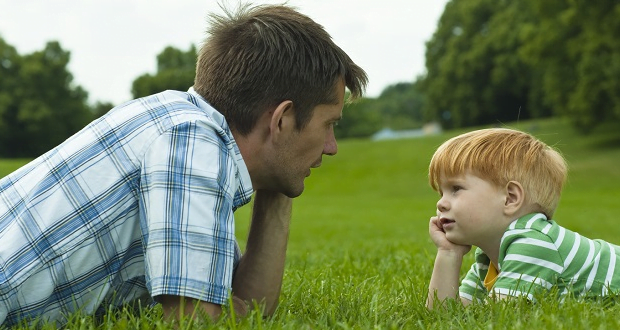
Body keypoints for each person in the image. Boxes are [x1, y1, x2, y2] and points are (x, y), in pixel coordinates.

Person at [0, 3, 368, 327]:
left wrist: (279, 186)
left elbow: (250, 308)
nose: (332, 146)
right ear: (283, 119)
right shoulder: (192, 143)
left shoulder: (179, 122)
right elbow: (192, 321)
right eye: (329, 124)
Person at [425, 128, 620, 308]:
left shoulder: (534, 244)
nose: (441, 203)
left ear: (510, 198)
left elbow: (496, 319)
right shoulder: (489, 257)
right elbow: (446, 316)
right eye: (441, 192)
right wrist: (448, 253)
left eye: (456, 189)